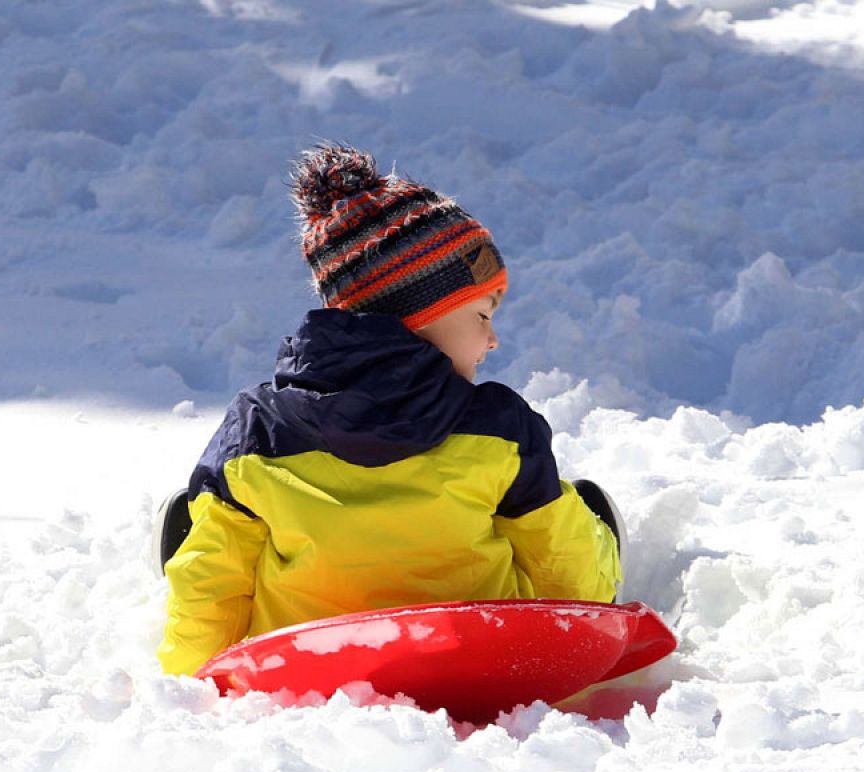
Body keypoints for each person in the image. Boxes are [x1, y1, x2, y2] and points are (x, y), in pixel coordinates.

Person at [154, 143, 624, 677]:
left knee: (201, 520)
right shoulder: (500, 427)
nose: (492, 340)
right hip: (471, 656)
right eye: (481, 313)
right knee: (575, 513)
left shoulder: (260, 428)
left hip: (309, 664)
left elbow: (213, 580)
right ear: (421, 316)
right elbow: (570, 579)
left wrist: (189, 678)